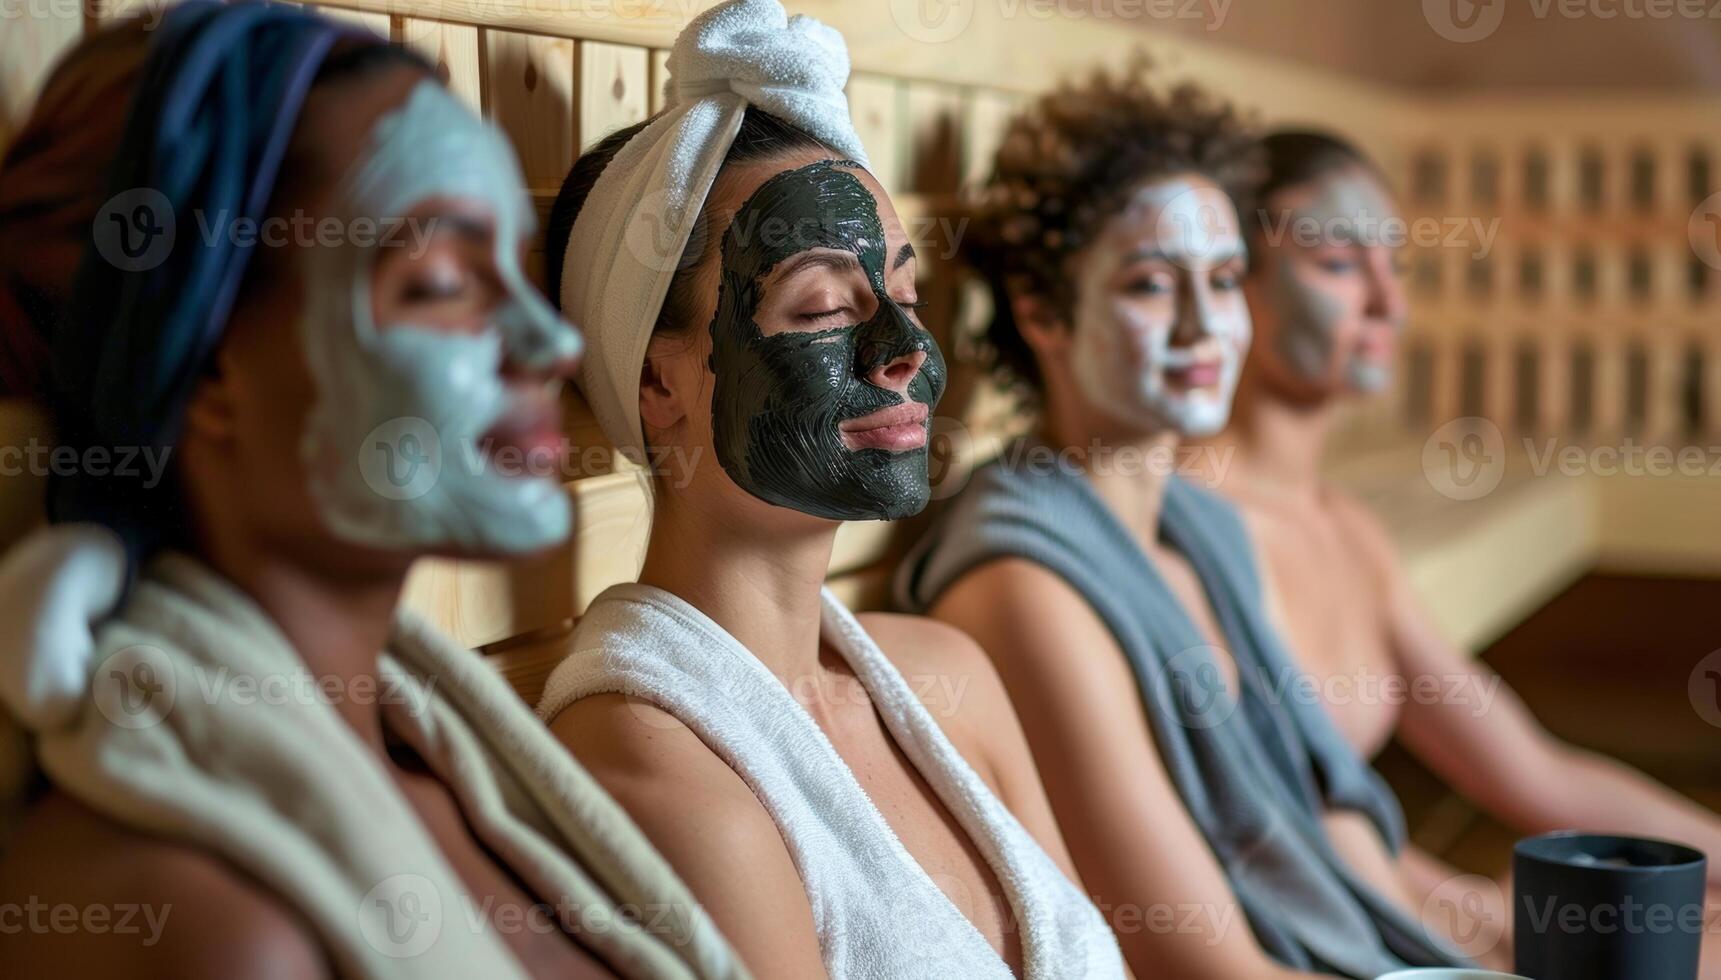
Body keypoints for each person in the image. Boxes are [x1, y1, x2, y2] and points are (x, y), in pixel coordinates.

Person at [0, 5, 741, 977]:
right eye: (440, 282)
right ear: (209, 364)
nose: (549, 343)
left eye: (516, 269)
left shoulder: (436, 755)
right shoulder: (196, 919)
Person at [537, 2, 1125, 977]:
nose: (907, 352)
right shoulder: (652, 761)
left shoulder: (951, 676)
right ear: (655, 380)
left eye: (903, 294)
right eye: (820, 306)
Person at [895, 71, 1484, 977]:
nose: (1206, 324)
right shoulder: (1020, 585)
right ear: (1044, 311)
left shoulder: (1206, 530)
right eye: (1148, 286)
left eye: (1223, 279)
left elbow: (1345, 845)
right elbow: (1195, 963)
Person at [1189, 127, 1721, 976]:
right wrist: (1484, 926)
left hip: (1414, 906)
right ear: (1236, 286)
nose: (1388, 302)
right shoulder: (1197, 530)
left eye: (1395, 264)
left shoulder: (1342, 527)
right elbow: (1272, 831)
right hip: (1347, 941)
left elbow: (1536, 774)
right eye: (1339, 265)